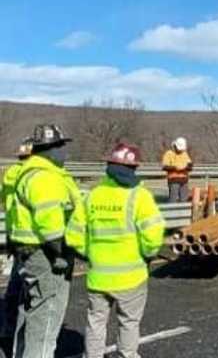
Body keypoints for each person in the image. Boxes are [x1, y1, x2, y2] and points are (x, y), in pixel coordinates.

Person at [66, 143, 164, 358]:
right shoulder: (140, 196)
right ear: (134, 168)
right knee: (129, 322)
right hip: (132, 277)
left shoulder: (93, 196)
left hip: (98, 276)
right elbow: (154, 236)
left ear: (109, 166)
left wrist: (89, 252)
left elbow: (73, 234)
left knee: (96, 322)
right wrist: (147, 254)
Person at [11, 124, 80, 358]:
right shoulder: (45, 179)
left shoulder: (27, 172)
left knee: (30, 310)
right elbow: (51, 228)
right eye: (62, 146)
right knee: (46, 319)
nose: (65, 152)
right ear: (50, 149)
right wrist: (63, 253)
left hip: (27, 250)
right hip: (46, 255)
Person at [0, 138, 32, 342]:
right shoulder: (32, 177)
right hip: (31, 239)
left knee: (15, 284)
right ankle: (22, 336)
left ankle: (7, 327)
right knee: (31, 291)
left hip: (15, 235)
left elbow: (5, 201)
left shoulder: (9, 174)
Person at [162, 137, 192, 202]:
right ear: (175, 146)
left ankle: (183, 211)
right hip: (173, 180)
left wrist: (186, 167)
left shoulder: (184, 153)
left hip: (184, 180)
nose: (180, 151)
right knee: (173, 199)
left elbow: (190, 164)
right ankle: (171, 211)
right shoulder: (168, 153)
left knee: (184, 199)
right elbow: (165, 166)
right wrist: (175, 168)